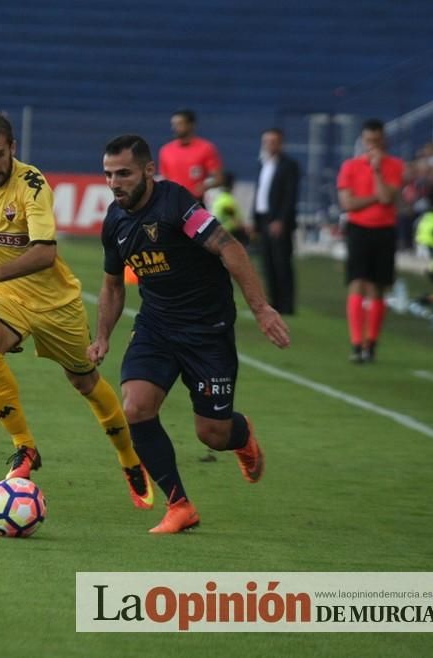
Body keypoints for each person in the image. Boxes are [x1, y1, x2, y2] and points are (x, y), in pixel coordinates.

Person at [0, 110, 154, 510]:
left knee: (85, 383)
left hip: (55, 302)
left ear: (13, 148)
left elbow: (46, 254)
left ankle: (130, 460)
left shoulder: (32, 185)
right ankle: (25, 447)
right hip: (8, 296)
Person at [89, 135, 290, 534]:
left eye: (124, 173)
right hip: (156, 326)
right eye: (109, 174)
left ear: (148, 171)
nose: (115, 182)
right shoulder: (115, 221)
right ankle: (179, 505)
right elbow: (113, 285)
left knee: (212, 434)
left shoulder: (177, 204)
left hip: (206, 331)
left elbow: (230, 248)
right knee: (136, 408)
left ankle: (241, 435)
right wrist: (102, 338)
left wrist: (262, 309)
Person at [337, 118, 404, 364]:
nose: (372, 146)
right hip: (358, 229)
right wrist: (374, 197)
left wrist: (376, 171)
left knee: (377, 286)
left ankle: (371, 343)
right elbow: (348, 204)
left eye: (376, 141)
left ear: (382, 140)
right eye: (368, 141)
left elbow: (387, 198)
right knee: (357, 281)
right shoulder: (350, 166)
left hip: (384, 230)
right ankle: (356, 342)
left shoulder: (394, 166)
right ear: (363, 141)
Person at [253, 128, 301, 315]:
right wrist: (255, 220)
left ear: (281, 143)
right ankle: (273, 303)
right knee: (267, 262)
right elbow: (260, 193)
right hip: (264, 218)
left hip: (279, 221)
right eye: (267, 141)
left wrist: (281, 219)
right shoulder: (263, 164)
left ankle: (287, 305)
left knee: (282, 262)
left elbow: (290, 195)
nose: (270, 145)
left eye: (274, 141)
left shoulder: (289, 165)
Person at [158, 109, 223, 203]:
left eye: (179, 124)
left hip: (195, 202)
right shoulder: (165, 150)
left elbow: (218, 179)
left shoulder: (206, 148)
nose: (174, 128)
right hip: (172, 203)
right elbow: (163, 178)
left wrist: (205, 186)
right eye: (173, 124)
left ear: (191, 125)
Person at [211, 171, 249, 246]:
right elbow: (235, 220)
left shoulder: (220, 198)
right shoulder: (227, 200)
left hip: (222, 233)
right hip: (230, 234)